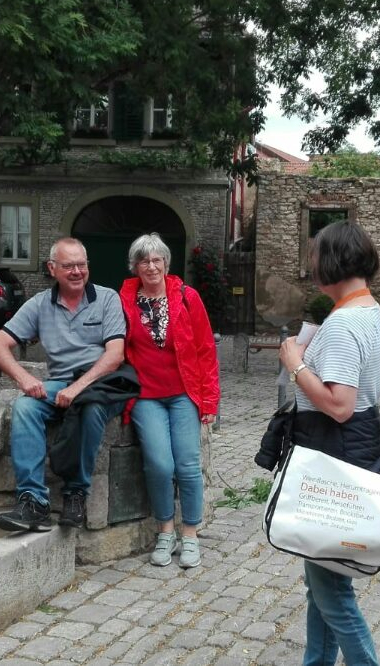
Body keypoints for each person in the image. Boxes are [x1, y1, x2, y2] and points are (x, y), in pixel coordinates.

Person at [277, 220, 380, 666]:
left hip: (334, 454)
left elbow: (339, 405)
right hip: (352, 451)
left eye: (314, 257)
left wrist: (295, 364)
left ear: (333, 261)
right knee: (322, 580)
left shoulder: (343, 325)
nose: (310, 267)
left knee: (332, 590)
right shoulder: (369, 311)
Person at [0, 237, 128, 531]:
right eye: (68, 266)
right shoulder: (39, 305)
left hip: (101, 383)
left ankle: (76, 493)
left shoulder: (107, 299)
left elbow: (115, 356)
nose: (77, 271)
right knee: (25, 407)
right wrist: (24, 378)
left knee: (89, 409)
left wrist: (78, 389)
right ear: (53, 269)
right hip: (60, 384)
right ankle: (33, 501)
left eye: (81, 264)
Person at [119, 233, 219, 568]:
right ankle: (165, 531)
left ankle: (189, 533)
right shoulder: (125, 300)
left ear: (166, 263)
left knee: (188, 466)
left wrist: (209, 400)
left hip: (183, 394)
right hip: (147, 395)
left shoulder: (187, 298)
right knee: (160, 465)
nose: (151, 266)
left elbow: (206, 350)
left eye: (156, 259)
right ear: (135, 266)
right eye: (144, 260)